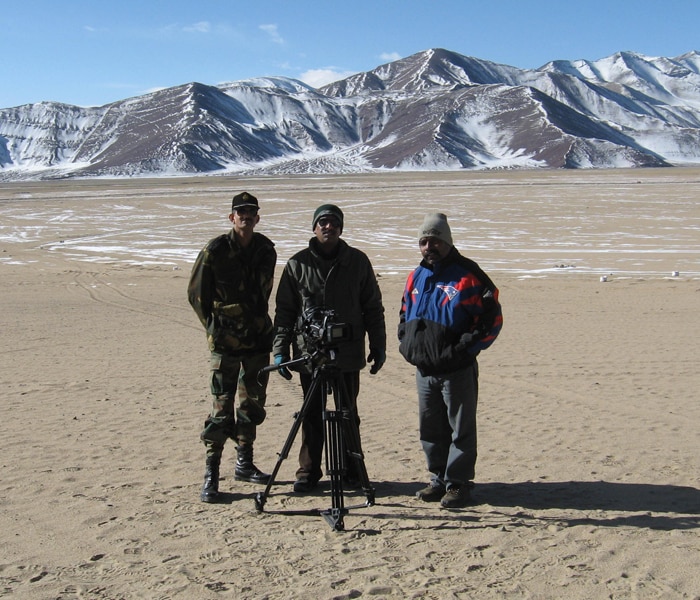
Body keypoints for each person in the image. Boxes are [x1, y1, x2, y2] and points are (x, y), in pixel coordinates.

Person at [272, 204, 386, 493]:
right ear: (314, 227)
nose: (328, 227)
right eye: (322, 222)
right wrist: (280, 351)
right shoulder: (298, 264)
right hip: (310, 353)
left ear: (341, 228)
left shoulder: (357, 262)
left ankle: (352, 470)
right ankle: (308, 472)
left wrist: (379, 344)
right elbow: (284, 311)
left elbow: (372, 306)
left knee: (348, 412)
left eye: (334, 222)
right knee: (311, 413)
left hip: (347, 352)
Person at [398, 213, 502, 508]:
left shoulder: (467, 274)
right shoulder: (416, 275)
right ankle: (438, 480)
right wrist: (406, 341)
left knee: (460, 429)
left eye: (435, 240)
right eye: (424, 241)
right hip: (425, 368)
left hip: (456, 369)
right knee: (431, 429)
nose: (429, 245)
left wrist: (465, 349)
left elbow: (491, 317)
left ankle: (458, 484)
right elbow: (405, 310)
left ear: (447, 242)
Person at [188, 191, 277, 503]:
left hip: (256, 340)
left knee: (252, 403)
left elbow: (265, 292)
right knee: (221, 407)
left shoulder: (266, 250)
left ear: (257, 217)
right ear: (231, 217)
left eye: (250, 212)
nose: (245, 216)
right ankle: (211, 473)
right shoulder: (215, 250)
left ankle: (244, 462)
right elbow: (197, 295)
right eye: (240, 212)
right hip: (225, 344)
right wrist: (214, 329)